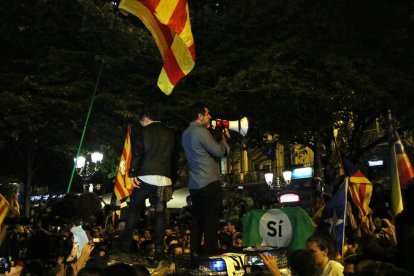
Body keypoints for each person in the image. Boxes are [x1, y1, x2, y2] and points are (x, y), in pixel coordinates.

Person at [121, 109, 178, 256]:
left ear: (145, 118)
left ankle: (125, 246)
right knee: (160, 214)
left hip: (145, 177)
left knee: (133, 210)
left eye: (141, 121)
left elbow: (138, 153)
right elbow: (174, 158)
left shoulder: (142, 132)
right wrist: (172, 179)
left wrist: (132, 172)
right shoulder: (171, 133)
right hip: (164, 179)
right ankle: (159, 250)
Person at [182, 103, 230, 262]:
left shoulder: (186, 133)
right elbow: (219, 151)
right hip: (209, 182)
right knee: (211, 221)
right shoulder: (201, 132)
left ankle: (195, 254)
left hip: (195, 185)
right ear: (200, 116)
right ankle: (210, 256)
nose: (210, 116)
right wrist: (224, 140)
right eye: (208, 114)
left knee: (197, 221)